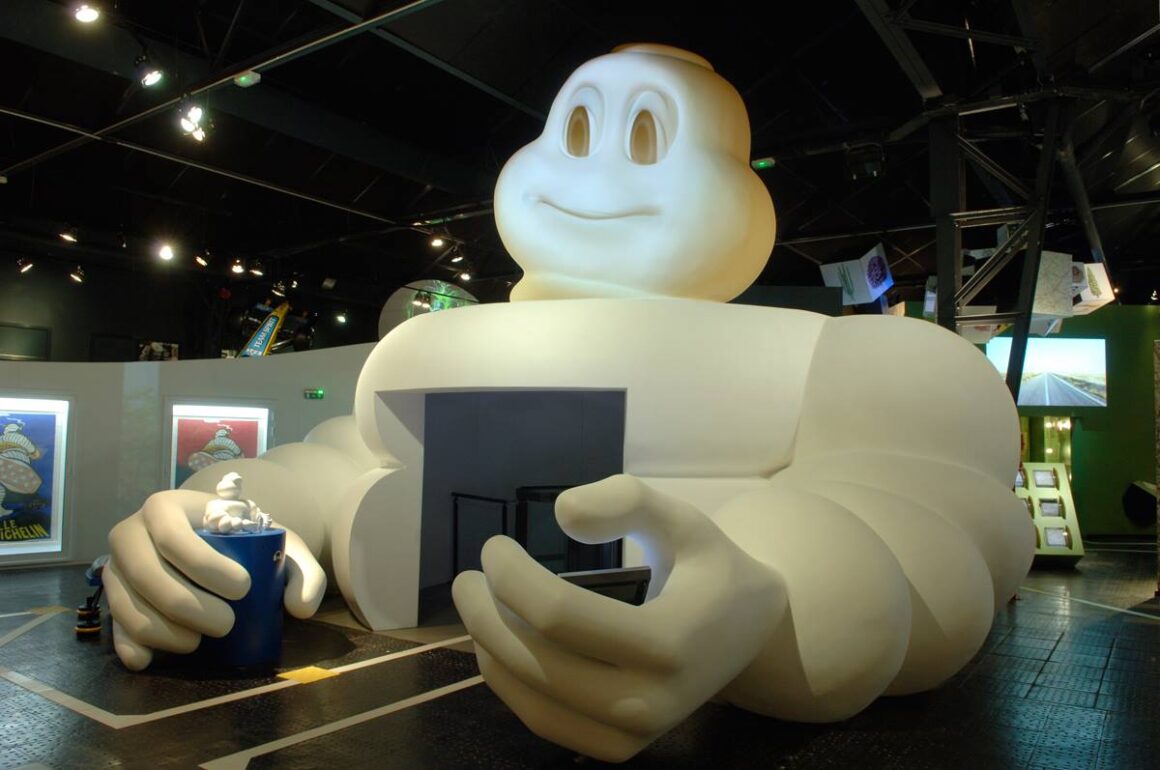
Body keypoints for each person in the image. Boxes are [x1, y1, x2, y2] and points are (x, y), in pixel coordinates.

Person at [104, 44, 1032, 763]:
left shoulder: (862, 360)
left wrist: (783, 601)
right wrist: (217, 516)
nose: (602, 170)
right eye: (577, 128)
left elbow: (925, 531)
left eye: (648, 134)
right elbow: (344, 457)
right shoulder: (430, 353)